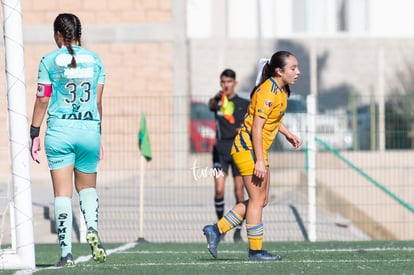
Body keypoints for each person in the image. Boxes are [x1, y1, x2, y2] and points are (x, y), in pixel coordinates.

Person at [203, 51, 301, 261]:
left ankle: (216, 229)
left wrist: (288, 134)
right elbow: (257, 128)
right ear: (279, 70)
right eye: (293, 68)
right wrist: (259, 160)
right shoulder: (268, 91)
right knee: (256, 201)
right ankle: (255, 251)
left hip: (256, 150)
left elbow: (271, 120)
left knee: (261, 200)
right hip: (247, 148)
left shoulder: (281, 91)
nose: (297, 72)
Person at [30, 13, 106, 267]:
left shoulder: (49, 60)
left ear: (58, 35)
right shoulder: (96, 61)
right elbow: (97, 103)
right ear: (79, 33)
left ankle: (66, 254)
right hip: (89, 130)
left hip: (60, 132)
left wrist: (34, 133)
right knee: (87, 188)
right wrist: (98, 135)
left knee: (62, 194)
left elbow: (42, 100)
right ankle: (93, 229)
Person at [208, 69, 250, 242]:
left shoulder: (243, 103)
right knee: (219, 189)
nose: (226, 85)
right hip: (220, 151)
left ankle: (238, 231)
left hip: (238, 151)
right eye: (223, 82)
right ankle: (220, 228)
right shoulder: (218, 102)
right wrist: (218, 98)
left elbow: (250, 124)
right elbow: (210, 105)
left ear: (235, 83)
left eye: (229, 82)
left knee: (239, 192)